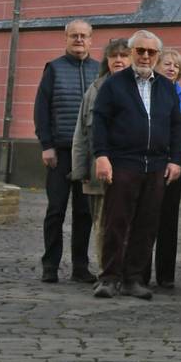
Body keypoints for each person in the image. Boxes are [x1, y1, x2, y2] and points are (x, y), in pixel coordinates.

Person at [91, 30, 181, 300]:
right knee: (116, 222)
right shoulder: (114, 84)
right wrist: (101, 156)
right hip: (123, 162)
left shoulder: (166, 87)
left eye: (151, 52)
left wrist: (175, 159)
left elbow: (176, 126)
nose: (145, 56)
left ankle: (133, 278)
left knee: (147, 224)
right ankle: (109, 277)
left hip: (156, 165)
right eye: (140, 51)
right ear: (132, 53)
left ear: (157, 55)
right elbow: (100, 121)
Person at [34, 19, 99, 284]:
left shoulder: (99, 70)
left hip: (88, 154)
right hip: (59, 152)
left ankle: (80, 267)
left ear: (91, 40)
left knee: (84, 213)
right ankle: (50, 265)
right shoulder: (54, 69)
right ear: (66, 39)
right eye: (74, 35)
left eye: (83, 35)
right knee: (56, 211)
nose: (79, 40)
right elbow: (41, 110)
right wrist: (46, 145)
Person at [70, 38, 131, 273]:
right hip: (99, 171)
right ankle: (106, 272)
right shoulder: (95, 89)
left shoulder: (142, 87)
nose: (118, 60)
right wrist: (80, 170)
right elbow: (81, 133)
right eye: (114, 56)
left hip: (131, 169)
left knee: (129, 224)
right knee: (102, 225)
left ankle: (128, 272)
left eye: (124, 55)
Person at [145, 47, 181, 289]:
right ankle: (140, 272)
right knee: (146, 218)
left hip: (175, 162)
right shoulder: (147, 90)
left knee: (169, 221)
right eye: (167, 64)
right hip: (150, 161)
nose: (172, 68)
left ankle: (166, 275)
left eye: (176, 65)